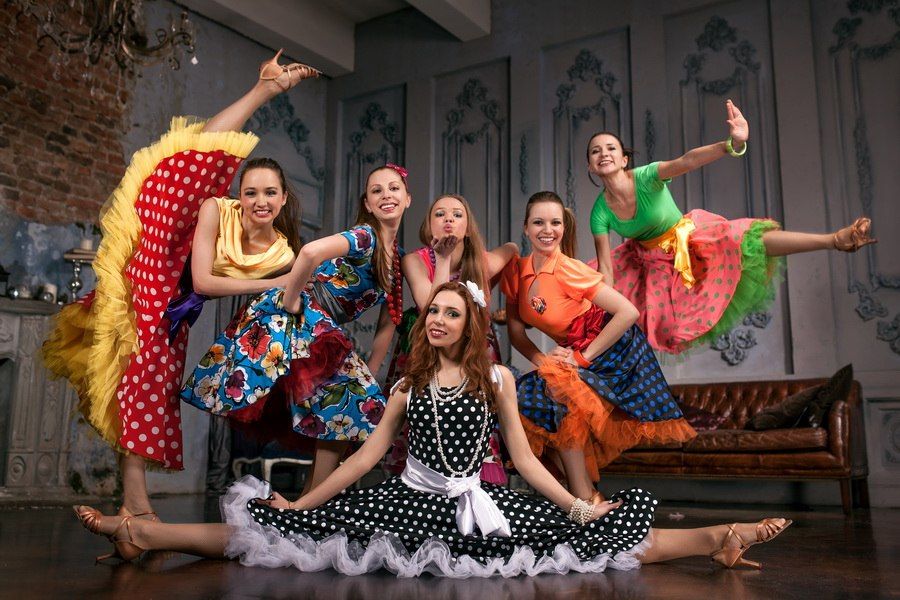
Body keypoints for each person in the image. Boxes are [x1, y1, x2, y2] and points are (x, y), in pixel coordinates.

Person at [74, 282, 791, 575]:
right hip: (409, 500)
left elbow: (526, 463)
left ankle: (716, 539)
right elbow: (362, 461)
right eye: (435, 313)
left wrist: (578, 505)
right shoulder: (407, 386)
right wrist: (303, 500)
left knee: (582, 538)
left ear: (471, 325)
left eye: (453, 313)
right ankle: (144, 534)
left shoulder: (497, 379)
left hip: (478, 502)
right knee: (282, 529)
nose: (441, 319)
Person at [42, 50, 318, 520]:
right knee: (199, 162)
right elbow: (207, 277)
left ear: (283, 197)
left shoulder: (282, 251)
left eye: (270, 192)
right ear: (238, 196)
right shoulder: (216, 208)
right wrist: (276, 280)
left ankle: (133, 508)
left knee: (148, 386)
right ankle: (138, 508)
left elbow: (242, 288)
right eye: (250, 191)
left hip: (178, 298)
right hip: (159, 252)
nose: (260, 200)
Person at [181, 163, 411, 494]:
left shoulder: (397, 260)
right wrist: (291, 301)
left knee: (345, 412)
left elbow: (388, 321)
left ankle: (307, 503)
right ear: (368, 203)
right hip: (297, 312)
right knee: (348, 405)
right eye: (377, 190)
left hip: (318, 324)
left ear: (407, 199)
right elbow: (310, 252)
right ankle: (307, 505)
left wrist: (372, 372)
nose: (386, 195)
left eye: (394, 189)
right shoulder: (365, 236)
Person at [589, 99, 876, 354]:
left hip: (689, 239)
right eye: (595, 151)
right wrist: (607, 314)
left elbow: (688, 161)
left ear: (624, 159)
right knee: (663, 328)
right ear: (591, 166)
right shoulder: (600, 212)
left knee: (747, 239)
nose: (604, 153)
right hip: (650, 263)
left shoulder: (646, 177)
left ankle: (835, 240)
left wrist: (731, 144)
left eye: (611, 148)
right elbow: (606, 270)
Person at [503, 192, 696, 503]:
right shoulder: (515, 273)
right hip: (575, 346)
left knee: (560, 396)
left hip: (612, 347)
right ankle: (585, 499)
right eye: (538, 222)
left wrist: (581, 358)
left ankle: (584, 499)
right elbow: (517, 335)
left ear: (564, 228)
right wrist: (542, 359)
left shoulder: (569, 269)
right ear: (526, 228)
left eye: (555, 223)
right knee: (542, 401)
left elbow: (627, 313)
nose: (547, 230)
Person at [383, 194, 517, 482]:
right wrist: (442, 259)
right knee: (427, 416)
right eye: (440, 214)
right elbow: (432, 308)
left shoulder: (480, 262)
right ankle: (422, 479)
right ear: (429, 226)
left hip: (471, 351)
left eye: (457, 215)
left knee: (472, 416)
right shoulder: (414, 260)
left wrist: (491, 285)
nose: (448, 219)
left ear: (467, 228)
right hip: (429, 348)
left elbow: (512, 249)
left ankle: (475, 479)